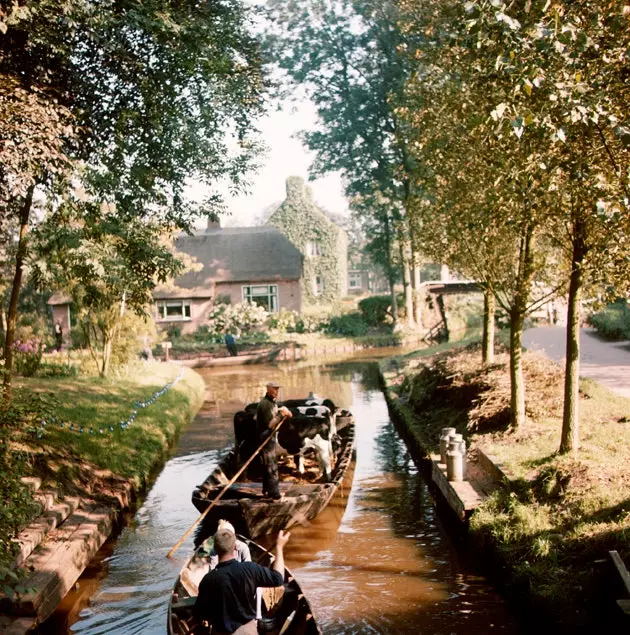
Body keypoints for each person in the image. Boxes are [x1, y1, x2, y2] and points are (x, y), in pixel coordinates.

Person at [193, 528, 291, 635]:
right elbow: (278, 578)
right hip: (248, 631)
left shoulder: (208, 580)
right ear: (235, 547)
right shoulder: (250, 569)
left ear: (215, 550)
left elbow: (199, 613)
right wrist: (279, 547)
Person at [256, 382, 292, 500]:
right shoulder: (266, 404)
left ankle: (266, 490)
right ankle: (275, 494)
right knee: (271, 465)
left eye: (277, 389)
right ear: (268, 390)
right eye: (274, 389)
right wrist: (281, 414)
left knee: (267, 464)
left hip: (266, 435)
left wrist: (281, 411)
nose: (277, 392)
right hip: (266, 436)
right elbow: (271, 424)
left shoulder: (271, 402)